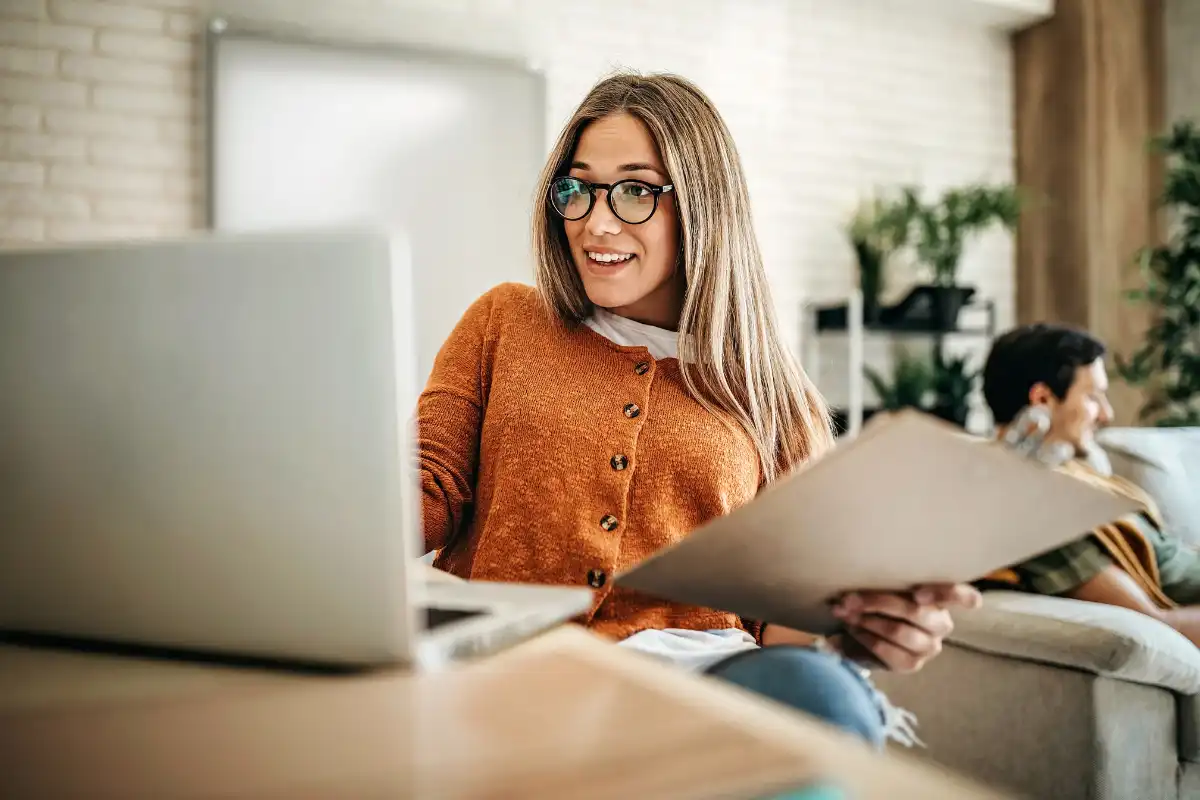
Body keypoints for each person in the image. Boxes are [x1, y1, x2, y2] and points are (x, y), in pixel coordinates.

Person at [418, 71, 980, 748]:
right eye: (577, 189)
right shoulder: (505, 320)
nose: (595, 221)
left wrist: (862, 626)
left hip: (698, 689)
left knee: (823, 693)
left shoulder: (776, 396)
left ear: (702, 204)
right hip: (514, 670)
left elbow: (784, 623)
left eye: (633, 190)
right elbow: (427, 490)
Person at [980, 323, 1200, 646]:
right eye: (1093, 397)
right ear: (1042, 398)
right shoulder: (1040, 513)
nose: (1107, 414)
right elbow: (1157, 627)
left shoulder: (1071, 479)